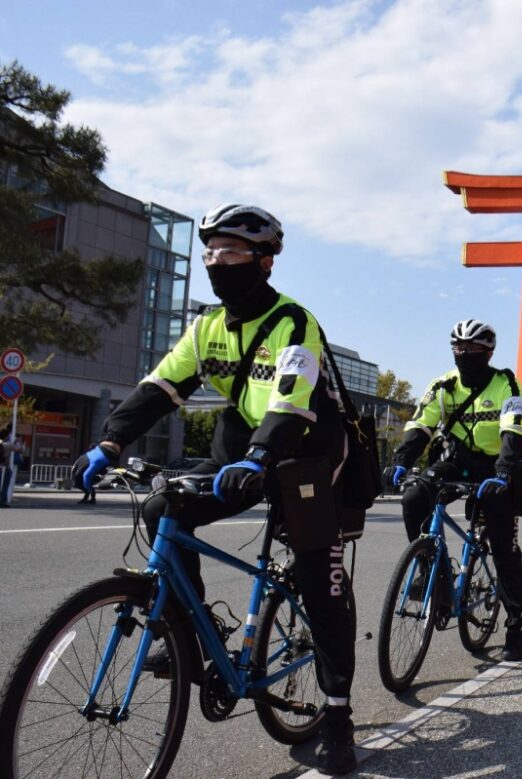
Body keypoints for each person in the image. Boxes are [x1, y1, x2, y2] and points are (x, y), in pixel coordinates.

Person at [71, 204, 359, 775]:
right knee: (162, 507)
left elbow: (290, 400)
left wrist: (260, 456)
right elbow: (161, 386)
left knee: (319, 585)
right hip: (240, 453)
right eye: (210, 252)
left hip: (305, 456)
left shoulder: (293, 322)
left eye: (230, 252)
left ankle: (338, 715)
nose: (216, 262)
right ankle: (191, 635)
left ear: (265, 261)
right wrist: (111, 441)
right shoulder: (207, 328)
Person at [388, 319, 522, 662]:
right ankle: (432, 576)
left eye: (473, 349)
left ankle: (515, 626)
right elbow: (421, 425)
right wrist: (401, 461)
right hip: (457, 461)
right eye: (459, 348)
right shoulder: (443, 385)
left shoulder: (505, 383)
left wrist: (503, 472)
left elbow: (512, 431)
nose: (465, 354)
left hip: (496, 467)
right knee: (414, 496)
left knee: (504, 548)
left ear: (488, 352)